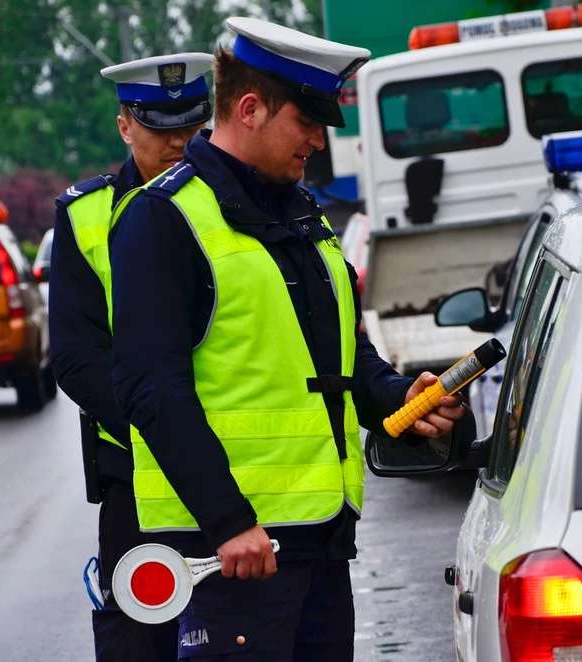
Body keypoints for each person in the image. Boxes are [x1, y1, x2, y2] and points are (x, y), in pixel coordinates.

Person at [107, 16, 468, 662]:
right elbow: (151, 390)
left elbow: (337, 355)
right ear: (249, 110)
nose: (319, 143)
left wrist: (398, 399)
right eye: (307, 123)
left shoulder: (300, 212)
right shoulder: (162, 219)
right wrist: (228, 520)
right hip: (235, 554)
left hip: (320, 540)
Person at [48, 52, 214, 661]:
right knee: (140, 641)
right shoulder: (86, 217)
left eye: (192, 126)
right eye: (159, 127)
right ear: (125, 126)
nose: (178, 142)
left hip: (245, 470)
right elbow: (77, 358)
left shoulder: (241, 204)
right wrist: (167, 431)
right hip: (138, 480)